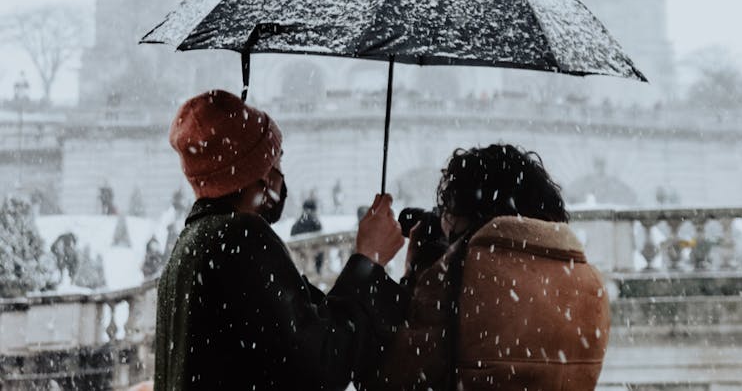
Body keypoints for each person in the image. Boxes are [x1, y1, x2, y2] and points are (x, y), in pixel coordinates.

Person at [154, 89, 405, 391]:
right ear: (259, 172)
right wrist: (368, 259)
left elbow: (306, 327)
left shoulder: (190, 245)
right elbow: (323, 364)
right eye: (278, 161)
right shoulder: (242, 240)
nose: (281, 176)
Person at [360, 143, 611, 391]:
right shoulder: (589, 280)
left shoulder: (463, 271)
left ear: (466, 209)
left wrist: (415, 274)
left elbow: (394, 376)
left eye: (446, 209)